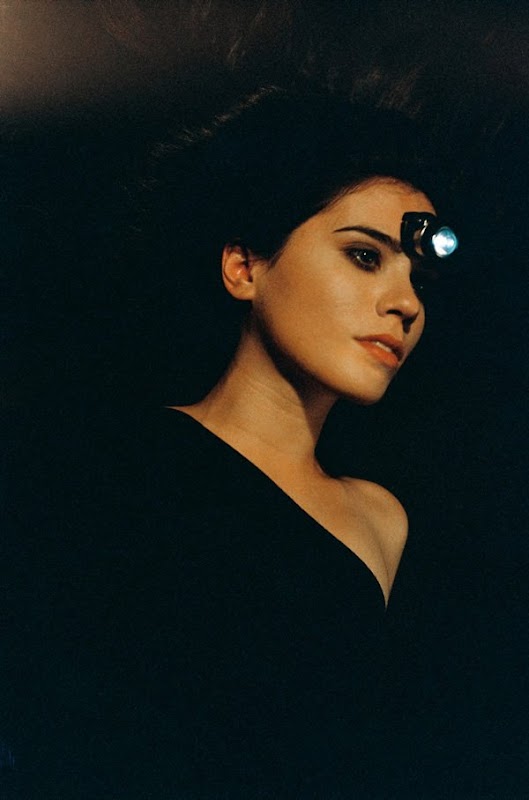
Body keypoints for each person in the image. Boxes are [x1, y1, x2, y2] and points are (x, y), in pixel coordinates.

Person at [2, 88, 458, 798]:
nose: (406, 304)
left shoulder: (380, 518)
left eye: (418, 279)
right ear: (245, 267)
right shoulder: (107, 464)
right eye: (365, 256)